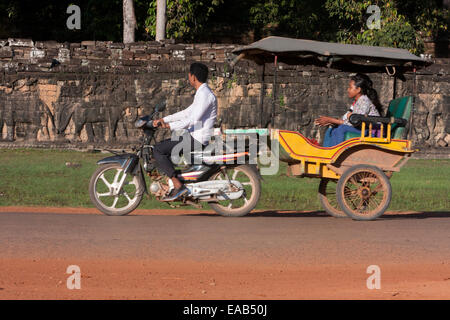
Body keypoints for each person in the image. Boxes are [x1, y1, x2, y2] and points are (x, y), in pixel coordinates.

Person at [152, 62, 217, 201]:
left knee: (158, 150)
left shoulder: (205, 95)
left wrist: (169, 126)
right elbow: (186, 112)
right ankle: (174, 180)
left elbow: (192, 120)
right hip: (193, 136)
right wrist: (164, 119)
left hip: (197, 139)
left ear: (193, 77)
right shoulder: (202, 93)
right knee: (165, 149)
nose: (188, 77)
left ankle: (177, 185)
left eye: (189, 75)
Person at [315, 73, 382, 147]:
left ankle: (335, 152)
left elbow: (354, 123)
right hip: (362, 128)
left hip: (371, 131)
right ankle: (326, 151)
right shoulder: (356, 102)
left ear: (358, 89)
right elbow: (346, 119)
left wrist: (331, 120)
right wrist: (332, 122)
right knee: (332, 128)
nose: (348, 90)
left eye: (350, 87)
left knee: (342, 128)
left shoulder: (364, 101)